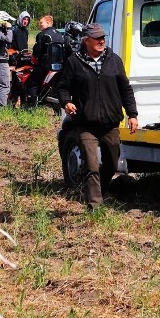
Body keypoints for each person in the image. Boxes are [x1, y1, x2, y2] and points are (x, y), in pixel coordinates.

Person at [56, 23, 138, 209]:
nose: (102, 41)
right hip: (86, 124)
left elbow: (125, 89)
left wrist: (132, 114)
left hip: (110, 123)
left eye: (103, 37)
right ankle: (94, 206)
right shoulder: (74, 62)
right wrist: (66, 102)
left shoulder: (114, 60)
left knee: (111, 165)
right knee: (91, 165)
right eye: (97, 38)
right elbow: (63, 87)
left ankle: (101, 190)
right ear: (86, 41)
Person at [28, 15, 65, 103]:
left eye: (41, 23)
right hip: (59, 65)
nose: (39, 25)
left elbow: (37, 52)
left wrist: (33, 59)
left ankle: (31, 106)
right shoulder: (59, 34)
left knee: (32, 83)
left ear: (48, 23)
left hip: (45, 65)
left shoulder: (42, 34)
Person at [8, 11, 31, 107]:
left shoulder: (26, 31)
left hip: (24, 60)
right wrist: (12, 60)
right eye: (24, 19)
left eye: (27, 20)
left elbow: (24, 46)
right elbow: (9, 46)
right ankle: (11, 104)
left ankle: (24, 104)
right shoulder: (14, 30)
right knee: (16, 83)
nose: (25, 21)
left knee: (24, 83)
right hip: (15, 59)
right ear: (20, 19)